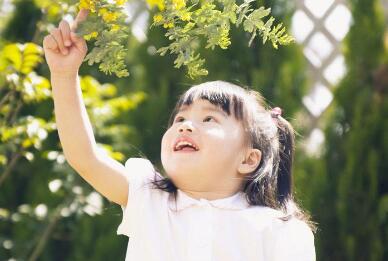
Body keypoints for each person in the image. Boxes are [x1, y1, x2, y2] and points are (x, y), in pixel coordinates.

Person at [43, 9, 316, 261]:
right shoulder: (149, 199)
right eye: (180, 118)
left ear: (248, 159)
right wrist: (64, 75)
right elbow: (85, 158)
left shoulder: (275, 230)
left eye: (209, 118)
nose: (185, 127)